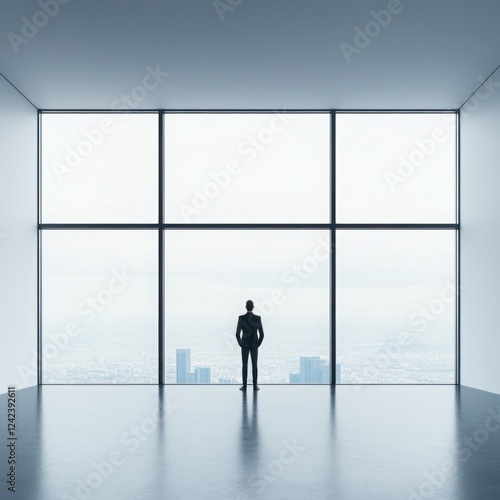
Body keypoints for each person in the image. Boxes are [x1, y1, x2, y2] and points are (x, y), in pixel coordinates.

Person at [235, 300, 264, 391]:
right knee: (255, 365)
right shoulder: (258, 318)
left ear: (245, 307)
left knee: (244, 365)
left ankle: (244, 386)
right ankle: (255, 386)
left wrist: (241, 343)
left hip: (245, 345)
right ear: (253, 307)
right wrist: (257, 344)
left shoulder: (241, 318)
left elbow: (237, 334)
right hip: (254, 344)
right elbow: (262, 334)